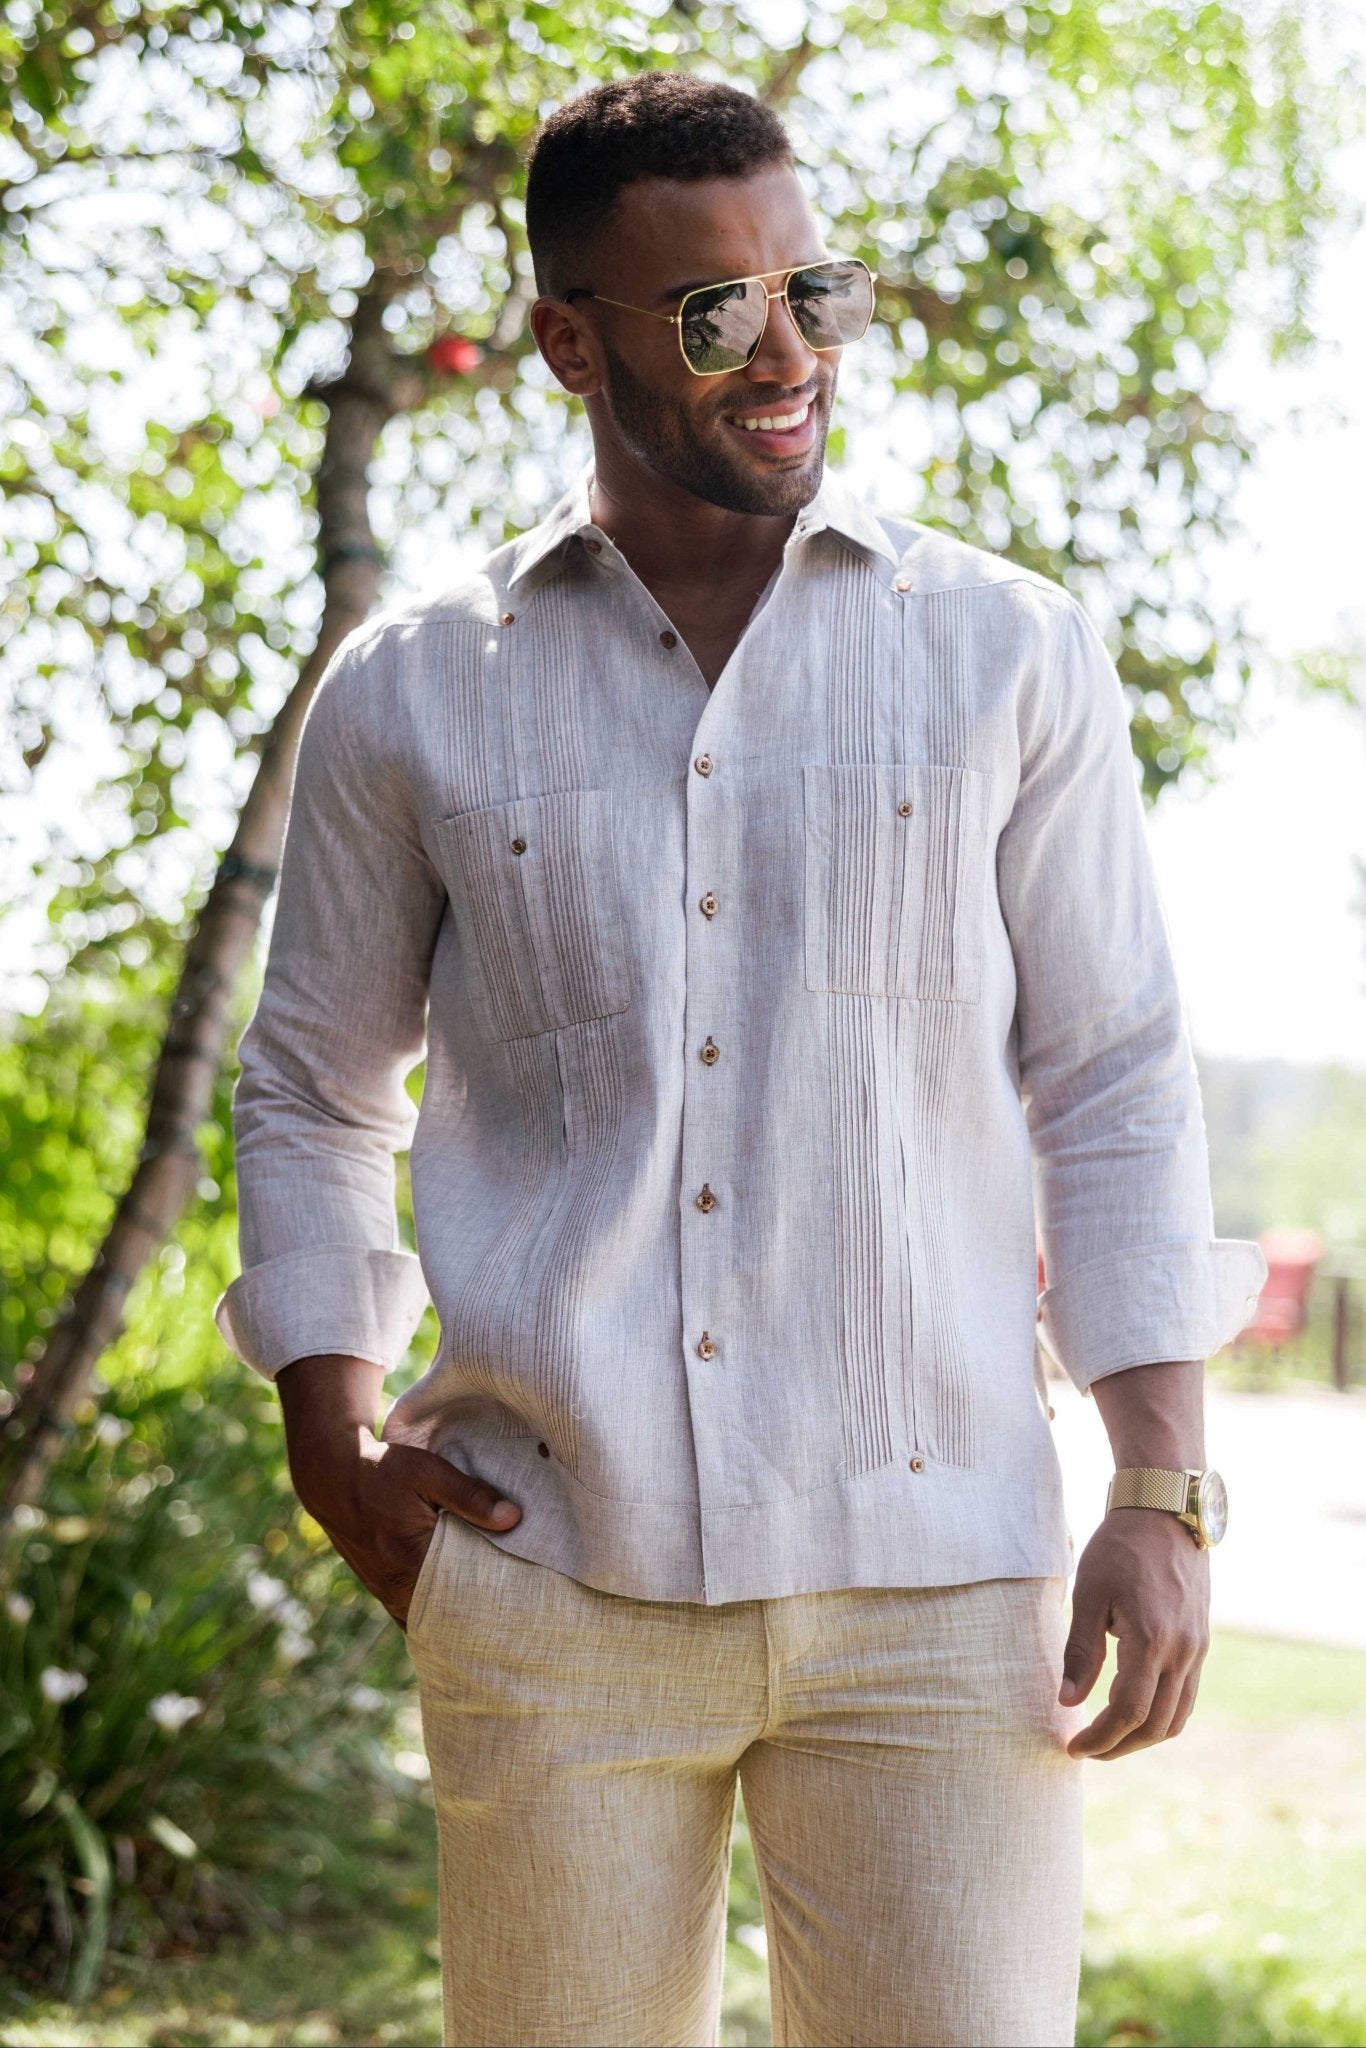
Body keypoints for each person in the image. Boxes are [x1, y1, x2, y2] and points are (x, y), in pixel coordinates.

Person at [213, 69, 1267, 2048]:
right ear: (563, 341)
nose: (783, 353)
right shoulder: (417, 687)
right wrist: (324, 1422)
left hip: (938, 1581)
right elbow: (311, 1084)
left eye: (810, 292)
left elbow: (1114, 1078)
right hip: (550, 1568)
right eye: (711, 312)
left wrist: (1159, 1484)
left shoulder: (1004, 656)